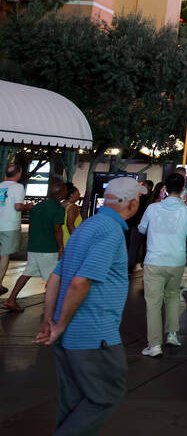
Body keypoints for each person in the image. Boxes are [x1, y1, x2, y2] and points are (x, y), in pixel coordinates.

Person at [33, 176, 141, 435]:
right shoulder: (111, 231)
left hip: (69, 336)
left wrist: (50, 321)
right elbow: (79, 283)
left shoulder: (87, 226)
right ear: (133, 204)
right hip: (94, 334)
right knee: (105, 395)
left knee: (74, 401)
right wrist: (58, 325)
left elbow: (56, 278)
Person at [137, 172, 187, 357]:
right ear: (183, 189)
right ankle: (172, 335)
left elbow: (141, 228)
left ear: (164, 188)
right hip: (177, 261)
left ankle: (154, 345)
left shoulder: (152, 209)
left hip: (154, 261)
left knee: (153, 303)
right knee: (173, 297)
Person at [4, 181, 67, 312]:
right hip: (48, 249)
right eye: (65, 190)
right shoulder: (58, 209)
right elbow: (57, 230)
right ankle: (51, 306)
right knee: (53, 278)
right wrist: (61, 247)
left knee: (27, 273)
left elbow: (32, 227)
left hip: (34, 246)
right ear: (61, 193)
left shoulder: (37, 207)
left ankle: (11, 299)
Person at [0, 164, 33, 295]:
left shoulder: (0, 185)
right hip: (9, 226)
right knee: (4, 255)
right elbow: (18, 207)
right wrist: (29, 206)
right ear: (18, 173)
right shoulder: (18, 187)